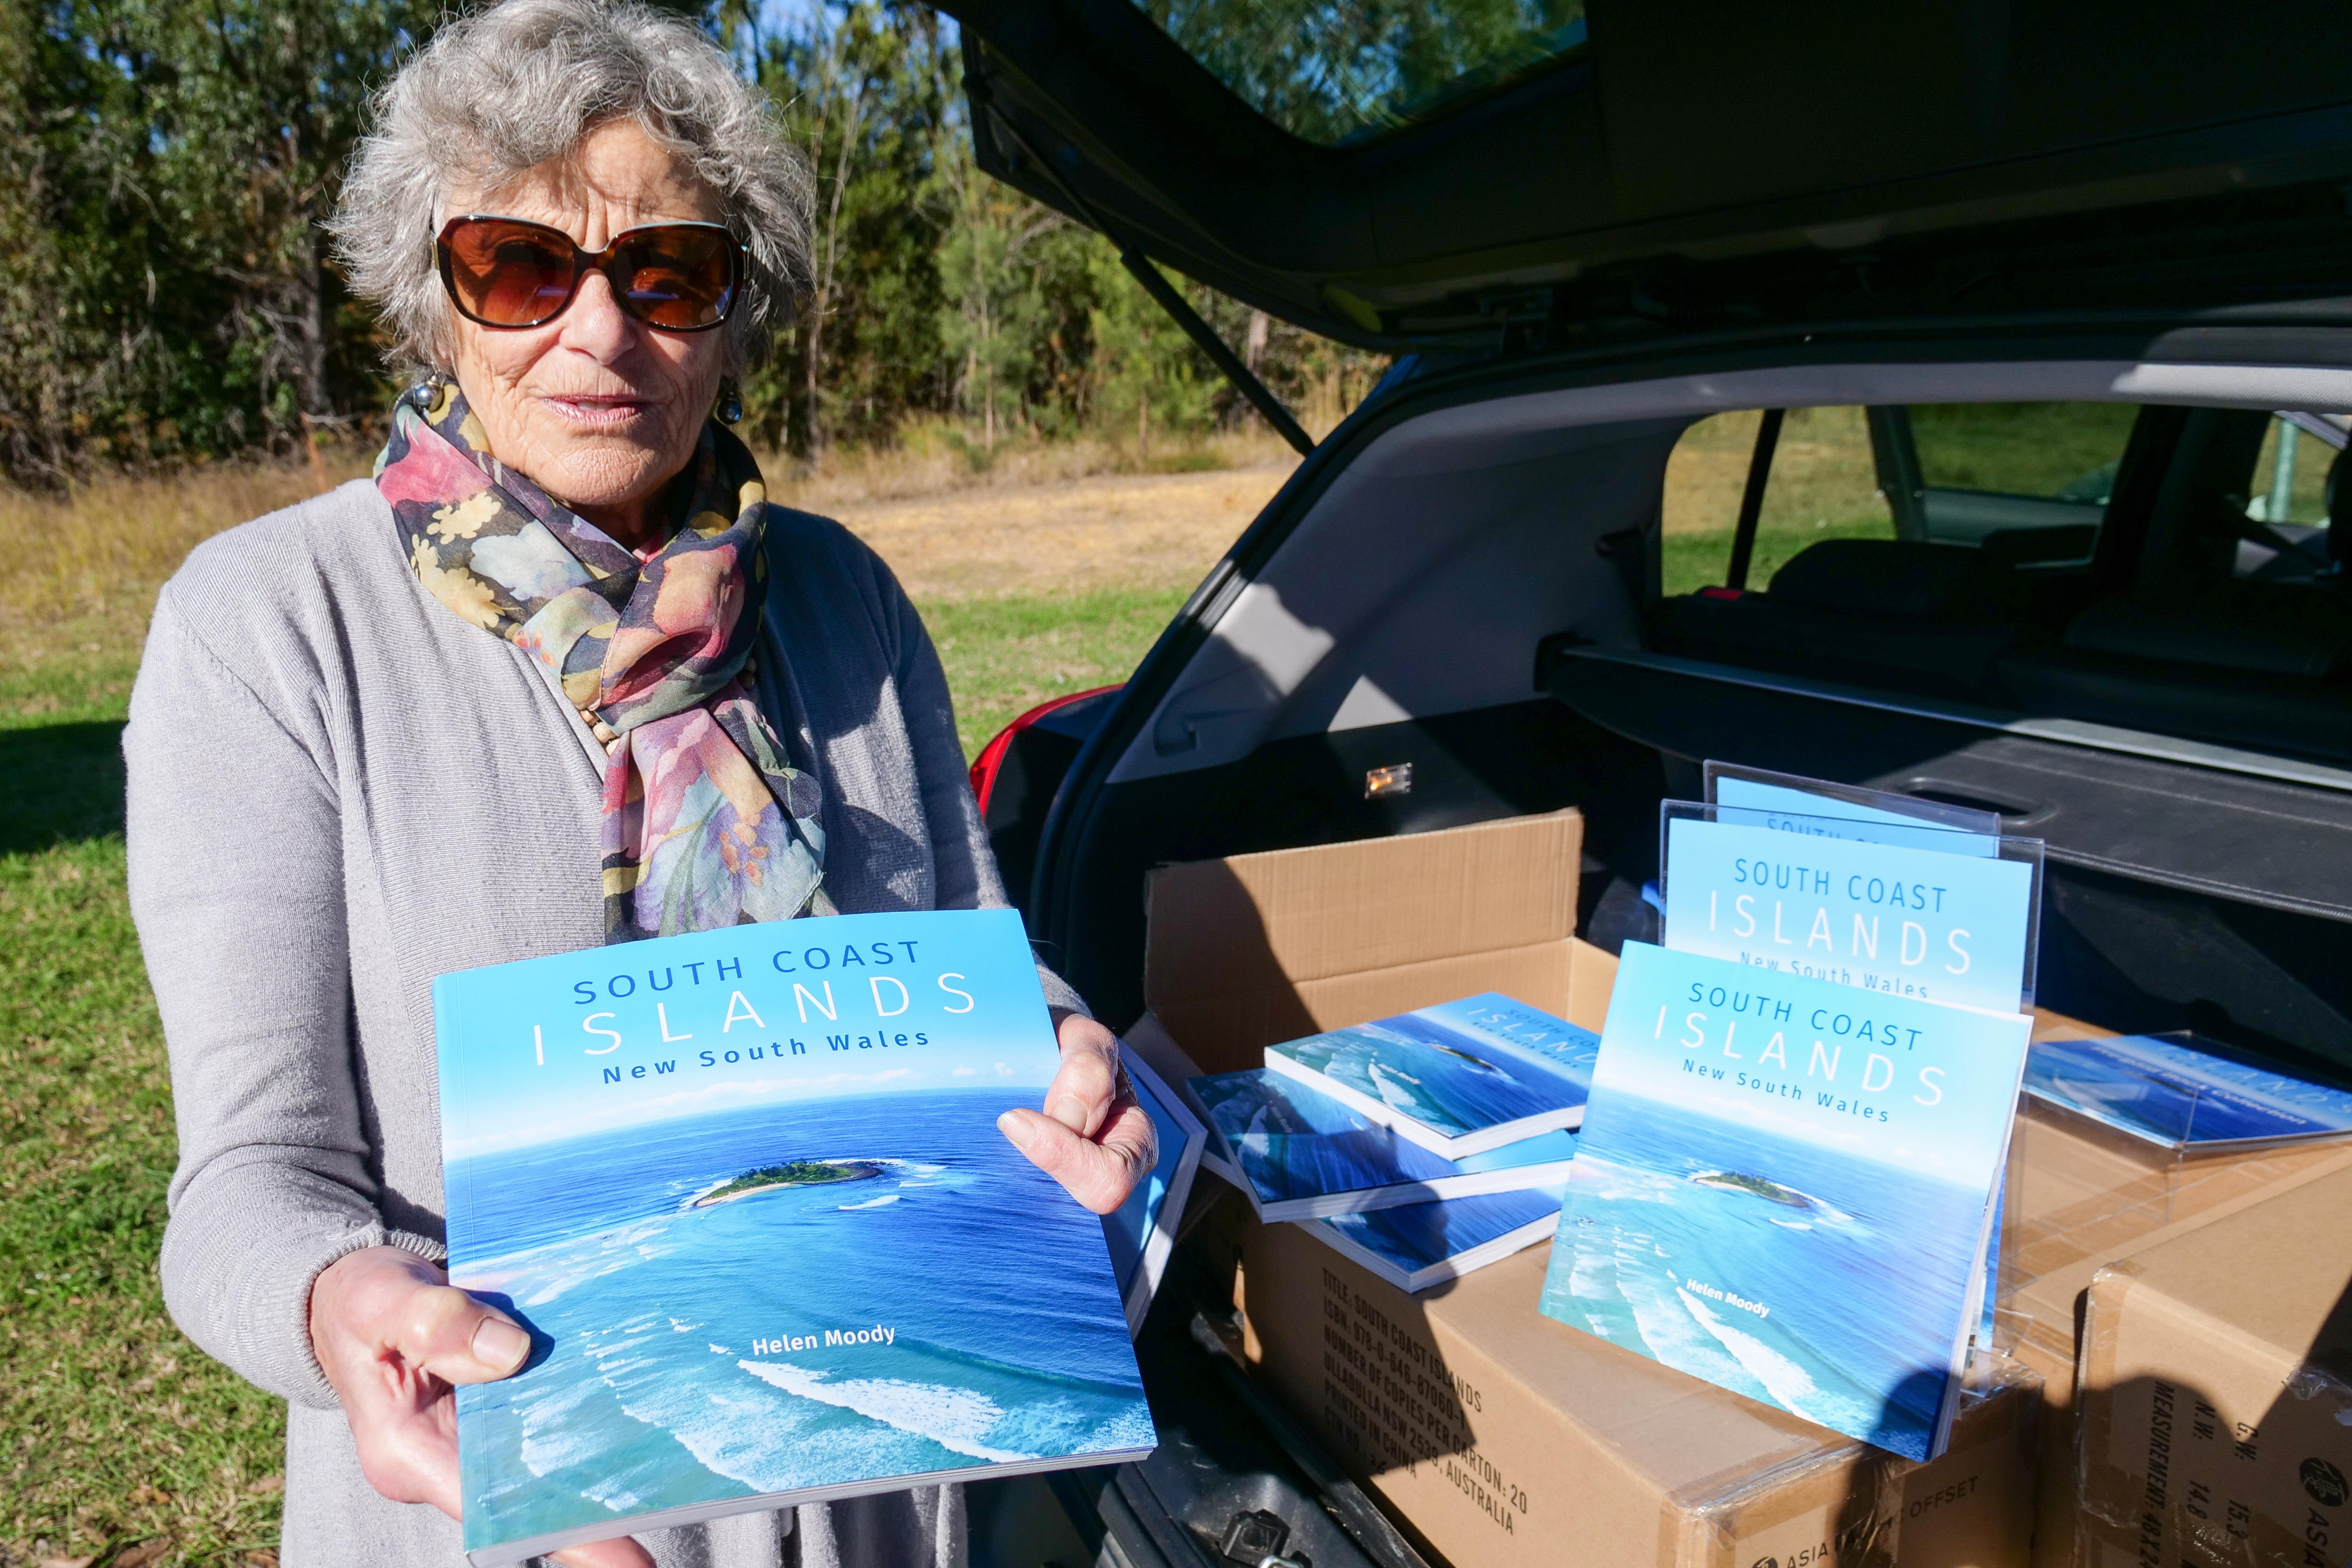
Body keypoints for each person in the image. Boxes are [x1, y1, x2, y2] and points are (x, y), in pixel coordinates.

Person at [122, 2, 1153, 1564]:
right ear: (434, 300)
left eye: (667, 272)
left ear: (738, 313)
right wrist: (340, 1301)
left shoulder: (844, 598)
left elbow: (972, 957)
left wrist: (1061, 1047)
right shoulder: (269, 625)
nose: (598, 334)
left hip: (888, 1489)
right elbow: (250, 1188)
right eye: (521, 266)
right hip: (507, 1510)